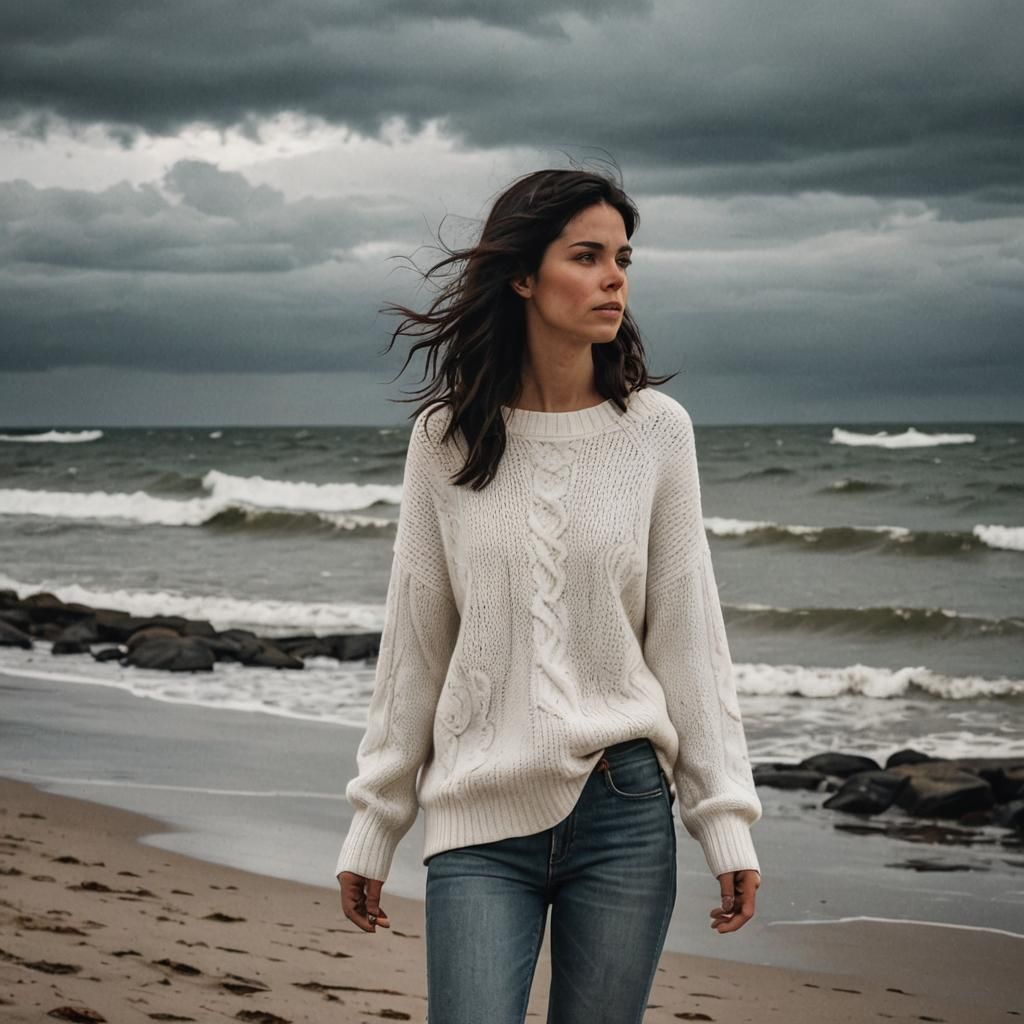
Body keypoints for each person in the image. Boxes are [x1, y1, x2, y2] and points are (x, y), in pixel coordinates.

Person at [335, 167, 762, 1024]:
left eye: (623, 258)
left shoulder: (655, 434)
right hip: (477, 811)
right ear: (524, 275)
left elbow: (687, 634)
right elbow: (417, 640)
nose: (615, 279)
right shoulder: (444, 439)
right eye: (588, 256)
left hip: (624, 808)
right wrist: (376, 820)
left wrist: (723, 818)